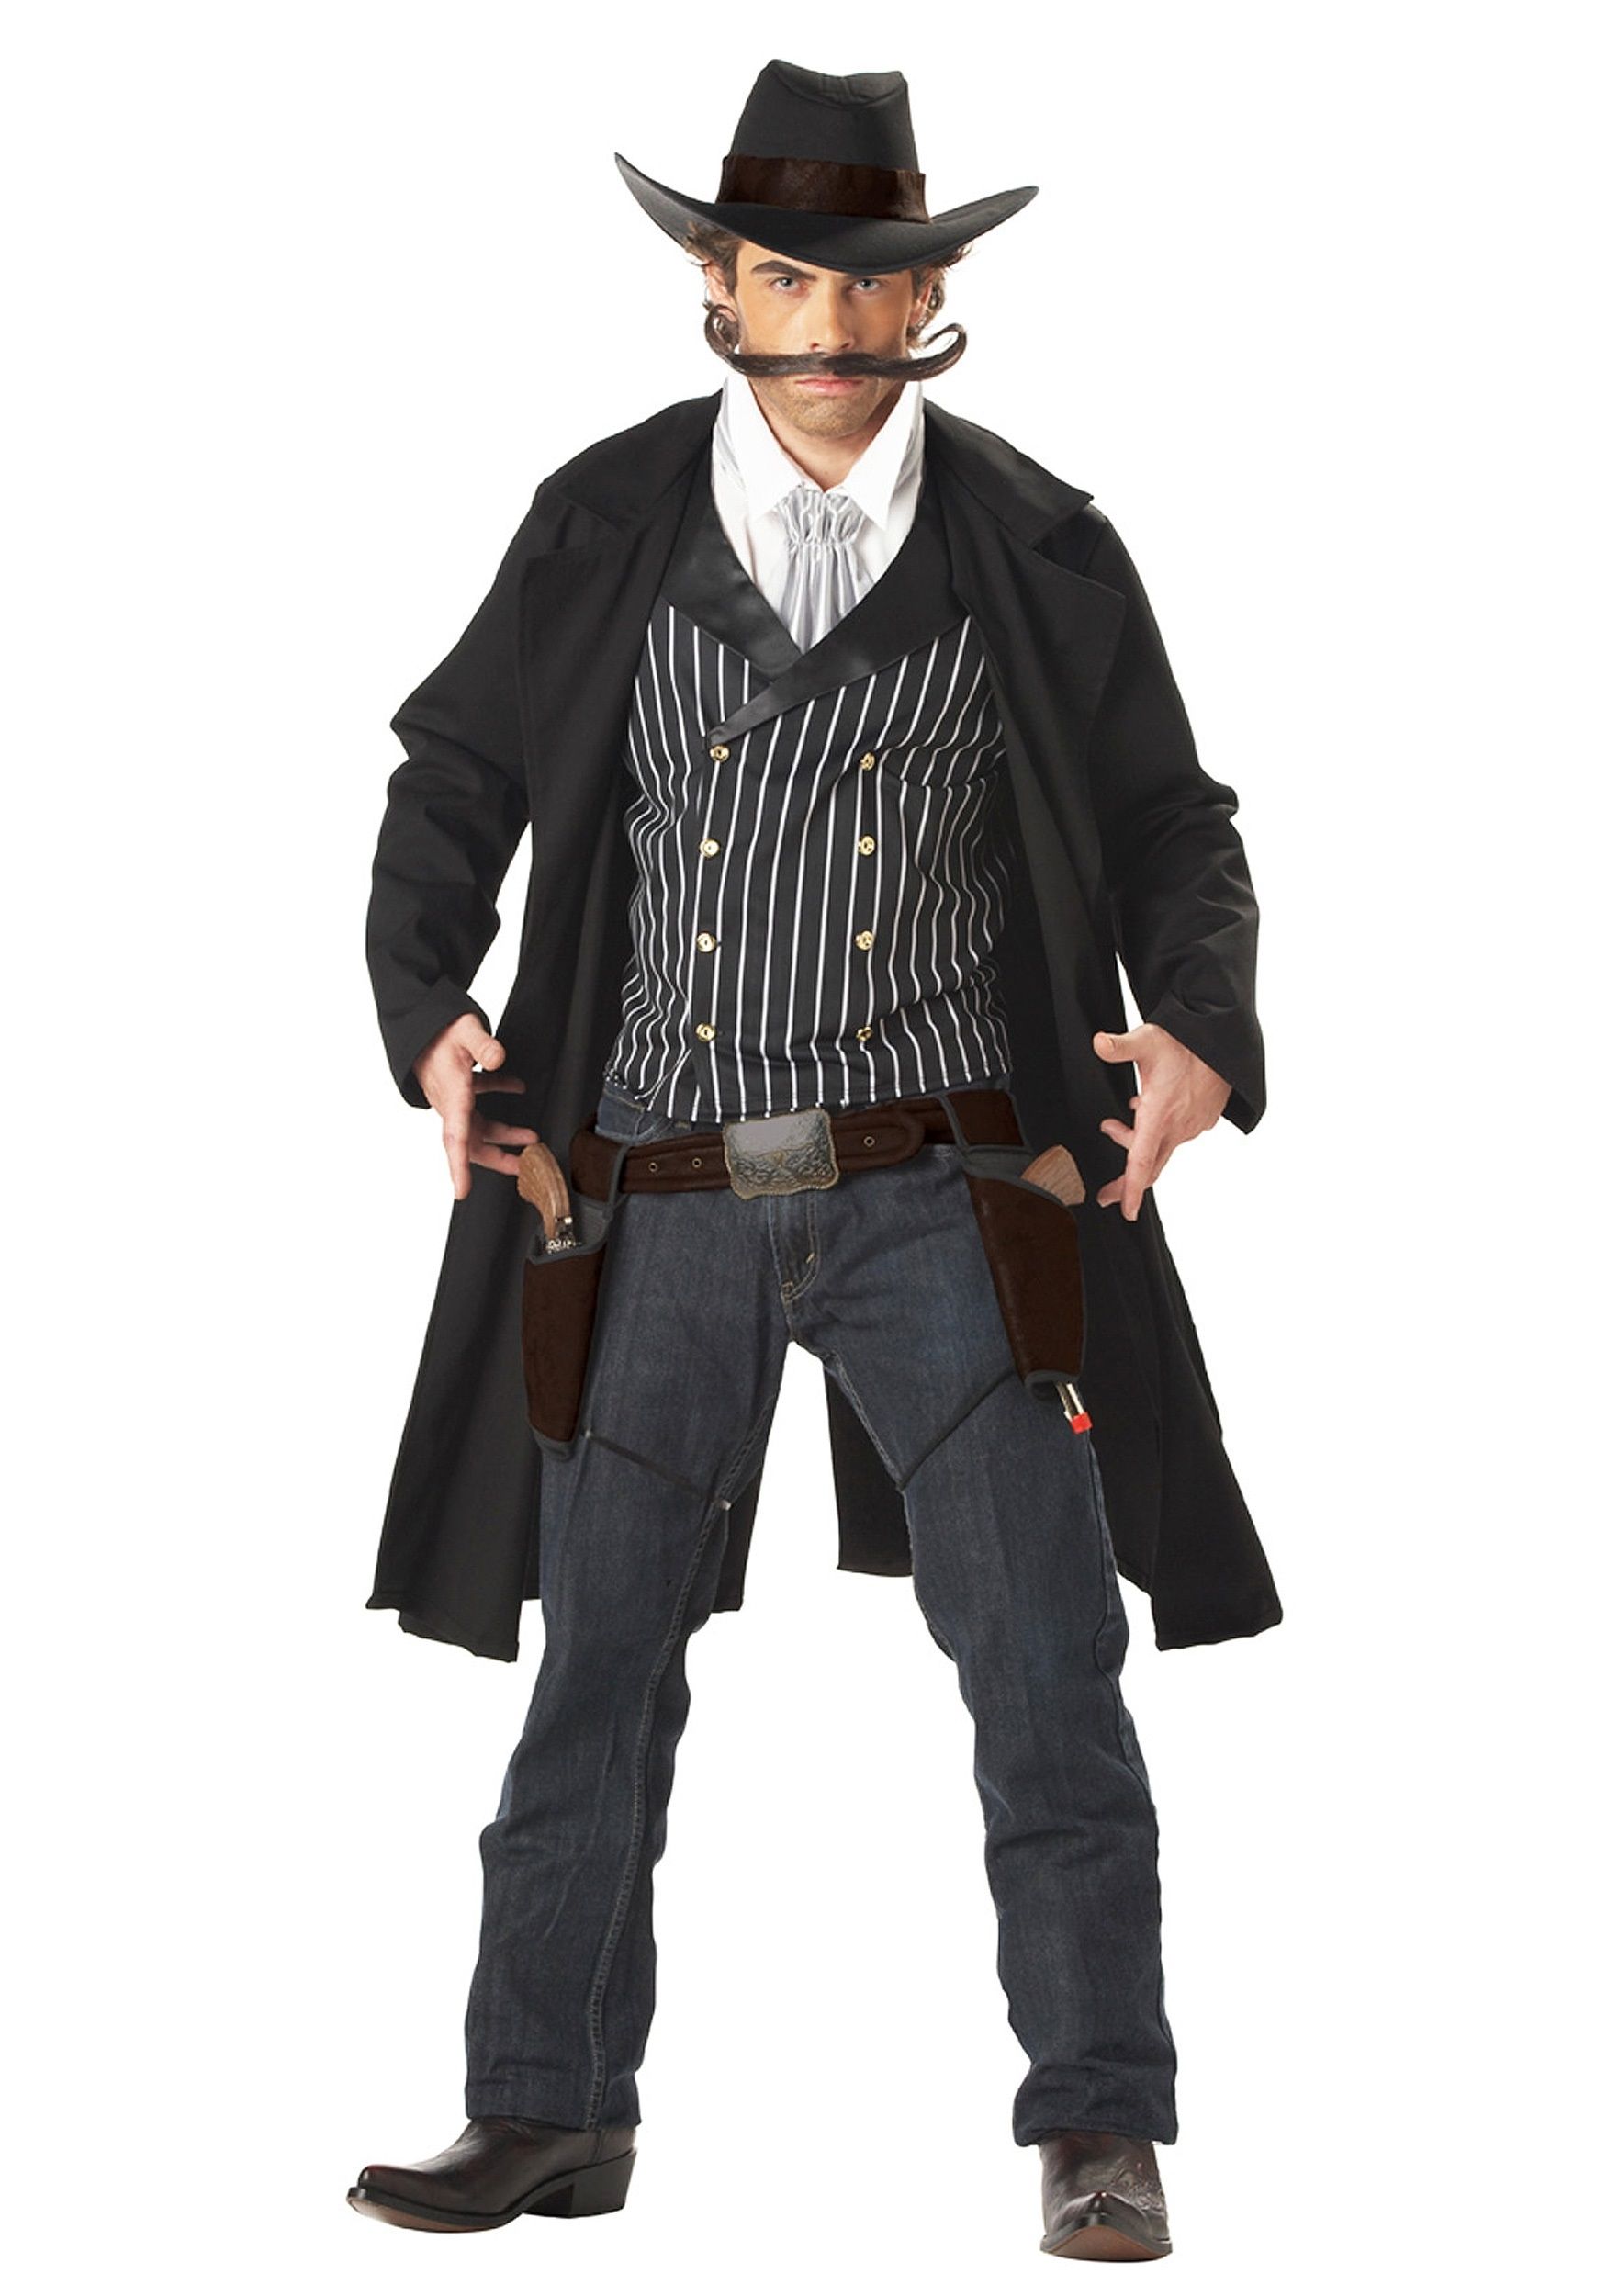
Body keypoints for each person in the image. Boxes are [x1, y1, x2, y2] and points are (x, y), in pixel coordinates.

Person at [349, 58, 1280, 2263]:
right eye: (788, 276)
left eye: (872, 282)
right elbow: (448, 775)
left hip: (947, 1190)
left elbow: (1173, 824)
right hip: (650, 1191)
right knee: (599, 1667)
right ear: (716, 281)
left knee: (1041, 1649)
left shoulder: (1038, 545)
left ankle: (1098, 2117)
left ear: (928, 292)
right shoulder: (600, 524)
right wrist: (429, 1002)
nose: (833, 327)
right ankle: (545, 2107)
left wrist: (1198, 1029)